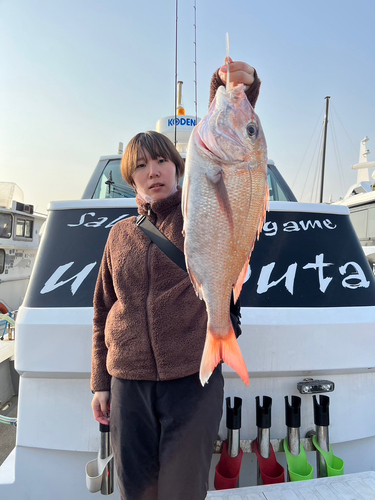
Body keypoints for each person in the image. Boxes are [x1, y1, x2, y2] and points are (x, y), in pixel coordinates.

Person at [91, 59, 261, 500]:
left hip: (191, 380)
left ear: (179, 166)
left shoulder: (195, 210)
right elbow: (102, 312)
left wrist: (233, 89)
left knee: (184, 490)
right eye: (143, 164)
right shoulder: (118, 236)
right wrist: (101, 383)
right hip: (127, 382)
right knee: (138, 491)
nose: (154, 171)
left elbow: (232, 155)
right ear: (131, 177)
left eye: (163, 160)